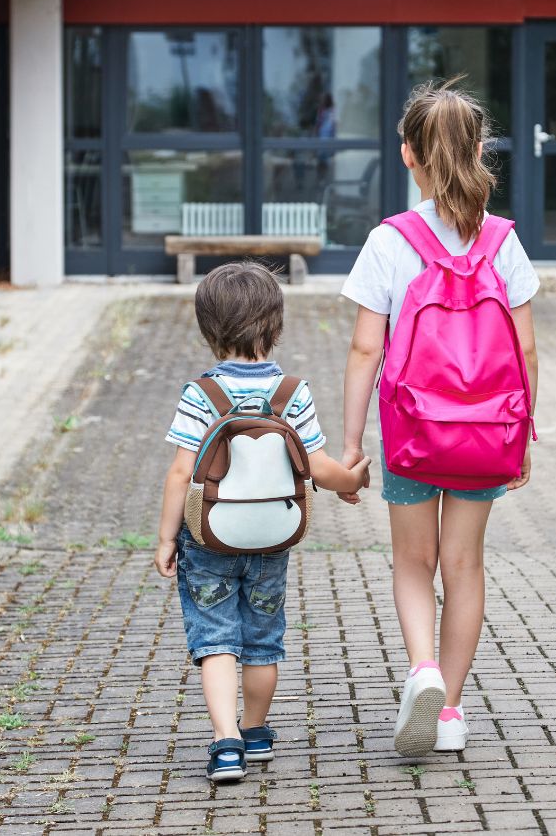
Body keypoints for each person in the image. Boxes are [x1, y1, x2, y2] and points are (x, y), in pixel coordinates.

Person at [339, 79, 540, 756]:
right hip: (488, 434)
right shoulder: (504, 242)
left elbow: (368, 346)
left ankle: (421, 668)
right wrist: (523, 438)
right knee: (465, 565)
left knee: (412, 560)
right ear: (480, 150)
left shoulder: (390, 241)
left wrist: (349, 445)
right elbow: (527, 348)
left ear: (408, 156)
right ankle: (449, 711)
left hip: (412, 435)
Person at [153, 261, 371, 783]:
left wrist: (166, 537)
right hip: (273, 537)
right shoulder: (292, 393)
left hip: (208, 538)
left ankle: (225, 743)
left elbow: (181, 472)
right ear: (275, 326)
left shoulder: (201, 395)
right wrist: (350, 482)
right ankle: (255, 731)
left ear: (209, 331)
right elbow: (315, 464)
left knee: (216, 639)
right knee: (262, 640)